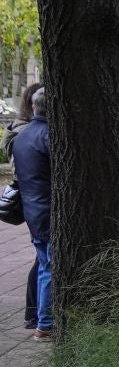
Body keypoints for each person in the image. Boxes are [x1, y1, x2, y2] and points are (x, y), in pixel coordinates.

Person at [11, 83, 53, 340]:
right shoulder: (47, 136)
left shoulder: (23, 135)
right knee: (49, 266)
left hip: (33, 209)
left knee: (44, 263)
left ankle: (39, 318)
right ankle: (45, 324)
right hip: (48, 209)